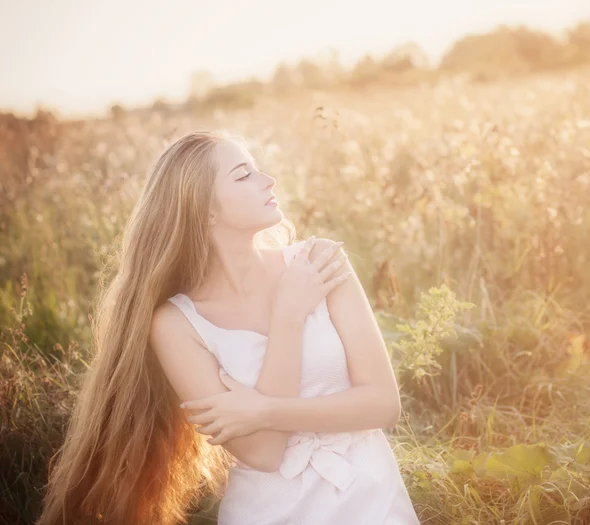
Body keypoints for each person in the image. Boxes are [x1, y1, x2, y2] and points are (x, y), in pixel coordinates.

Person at [36, 130, 420, 525]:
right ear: (204, 210)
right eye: (243, 175)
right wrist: (288, 315)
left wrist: (264, 410)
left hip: (370, 494)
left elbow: (383, 404)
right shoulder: (175, 323)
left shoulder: (318, 262)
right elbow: (265, 453)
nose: (268, 180)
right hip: (271, 510)